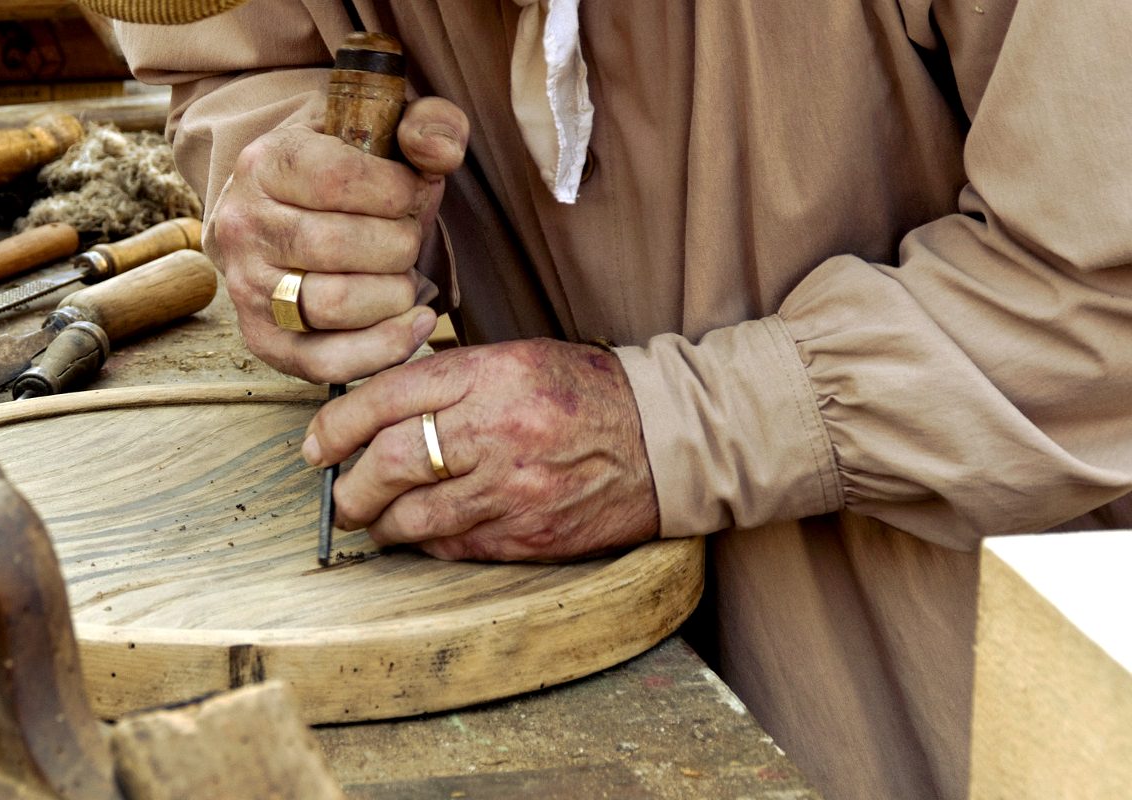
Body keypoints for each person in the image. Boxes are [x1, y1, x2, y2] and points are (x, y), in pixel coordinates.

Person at [97, 2, 1132, 797]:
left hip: (976, 678)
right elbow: (234, 51)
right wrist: (298, 201)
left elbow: (1101, 301)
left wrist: (670, 428)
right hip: (592, 648)